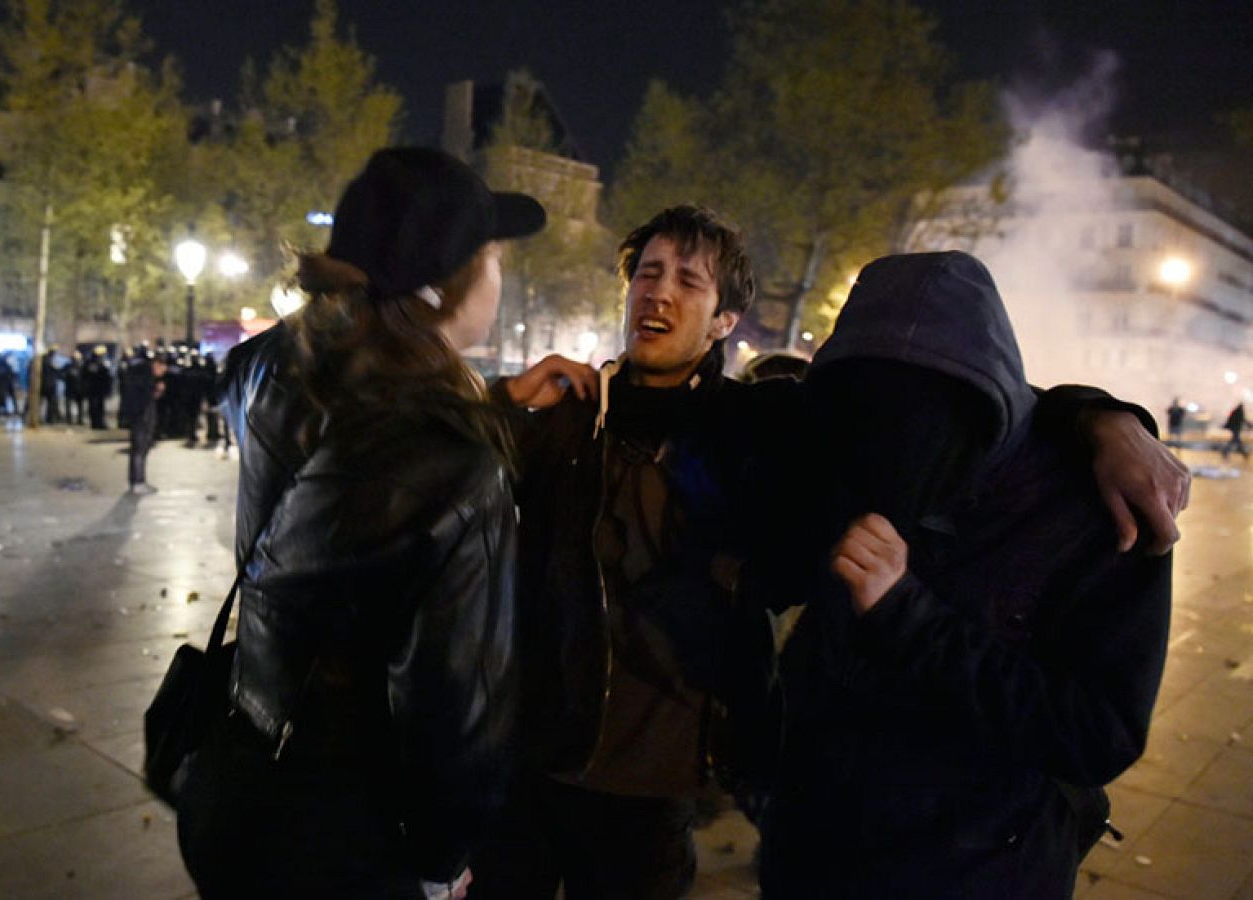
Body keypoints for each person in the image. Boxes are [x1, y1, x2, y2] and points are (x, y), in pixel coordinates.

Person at [472, 206, 1190, 900]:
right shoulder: (593, 420)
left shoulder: (1097, 511)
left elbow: (1097, 732)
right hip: (731, 820)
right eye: (647, 273)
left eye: (688, 280)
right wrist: (503, 405)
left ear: (725, 319)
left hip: (958, 862)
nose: (658, 292)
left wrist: (1101, 418)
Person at [177, 146, 546, 899]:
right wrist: (442, 860)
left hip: (245, 785)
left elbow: (349, 466)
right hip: (351, 836)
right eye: (494, 260)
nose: (501, 279)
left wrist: (492, 401)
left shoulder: (272, 376)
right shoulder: (457, 472)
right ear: (447, 294)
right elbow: (456, 714)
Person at [759, 251, 1172, 899]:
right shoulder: (839, 445)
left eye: (921, 403)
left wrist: (908, 618)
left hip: (976, 870)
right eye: (867, 398)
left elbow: (1098, 735)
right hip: (813, 852)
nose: (889, 432)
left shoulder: (1099, 507)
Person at [124, 354, 167, 495]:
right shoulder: (144, 377)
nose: (161, 374)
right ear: (156, 364)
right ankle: (138, 482)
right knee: (139, 450)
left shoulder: (142, 375)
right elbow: (144, 400)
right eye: (161, 370)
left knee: (139, 450)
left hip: (139, 417)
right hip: (141, 419)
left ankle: (136, 481)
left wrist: (158, 390)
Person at [82, 347, 113, 429]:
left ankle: (100, 422)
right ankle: (96, 423)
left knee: (100, 406)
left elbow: (107, 377)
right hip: (94, 389)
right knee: (94, 407)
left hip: (99, 389)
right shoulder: (91, 363)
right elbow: (89, 375)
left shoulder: (103, 363)